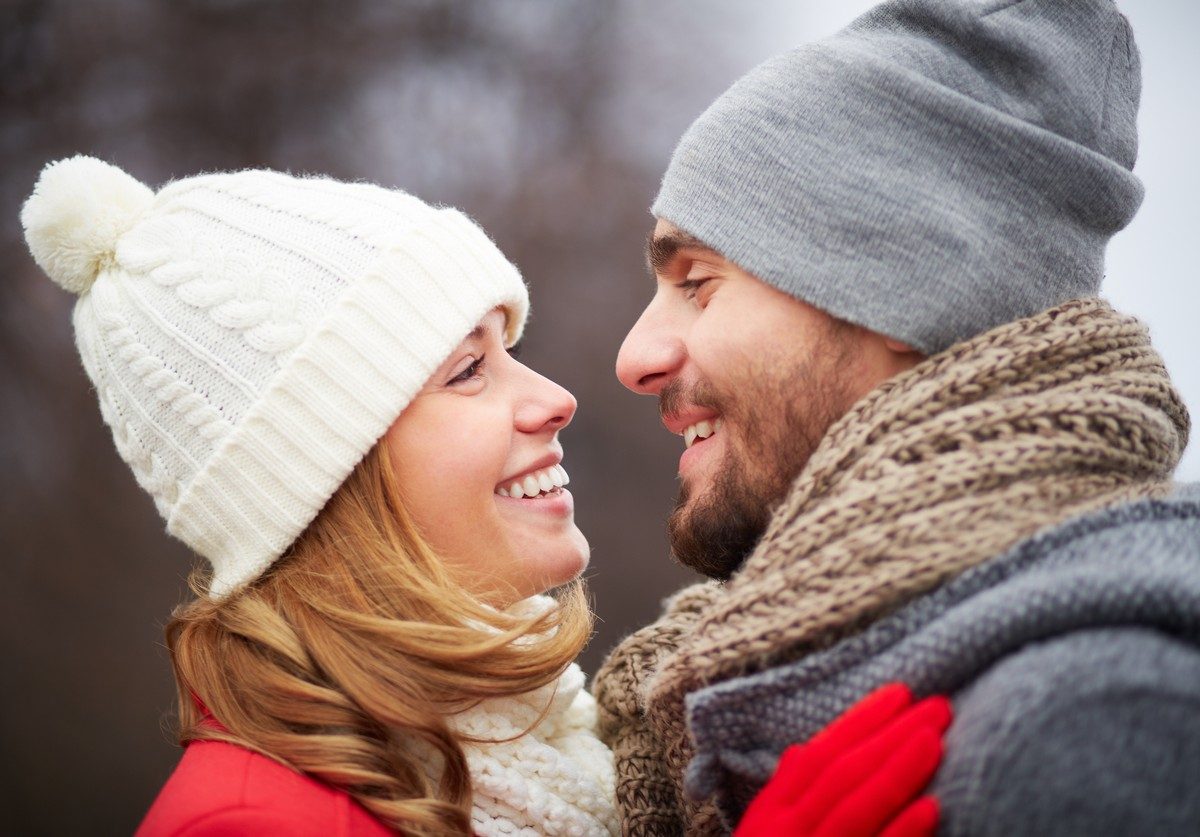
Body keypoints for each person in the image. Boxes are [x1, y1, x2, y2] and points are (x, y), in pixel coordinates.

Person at [22, 157, 947, 836]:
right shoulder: (246, 823)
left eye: (509, 348)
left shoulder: (555, 754)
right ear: (325, 479)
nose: (554, 396)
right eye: (468, 371)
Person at [593, 0, 1200, 835]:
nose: (635, 356)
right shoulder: (748, 686)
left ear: (908, 296)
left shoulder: (1083, 722)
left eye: (699, 282)